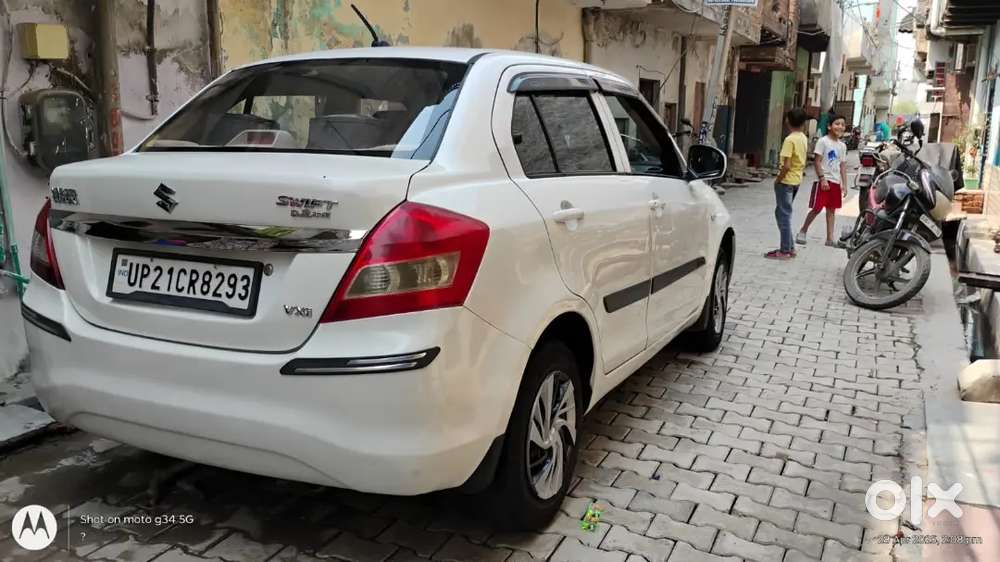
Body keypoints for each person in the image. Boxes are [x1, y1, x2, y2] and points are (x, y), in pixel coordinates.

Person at [796, 114, 848, 247]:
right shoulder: (823, 141)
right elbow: (817, 162)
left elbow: (842, 165)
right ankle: (803, 230)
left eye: (842, 124)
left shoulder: (842, 146)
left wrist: (845, 184)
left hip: (835, 183)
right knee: (817, 208)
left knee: (831, 210)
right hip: (823, 182)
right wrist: (822, 178)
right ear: (829, 126)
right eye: (837, 123)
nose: (840, 126)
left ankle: (830, 238)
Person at [765, 108, 809, 260]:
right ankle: (790, 247)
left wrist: (778, 180)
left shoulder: (789, 140)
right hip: (796, 180)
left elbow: (787, 165)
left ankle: (785, 250)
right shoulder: (803, 137)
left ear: (787, 121)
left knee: (783, 215)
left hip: (786, 181)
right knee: (782, 213)